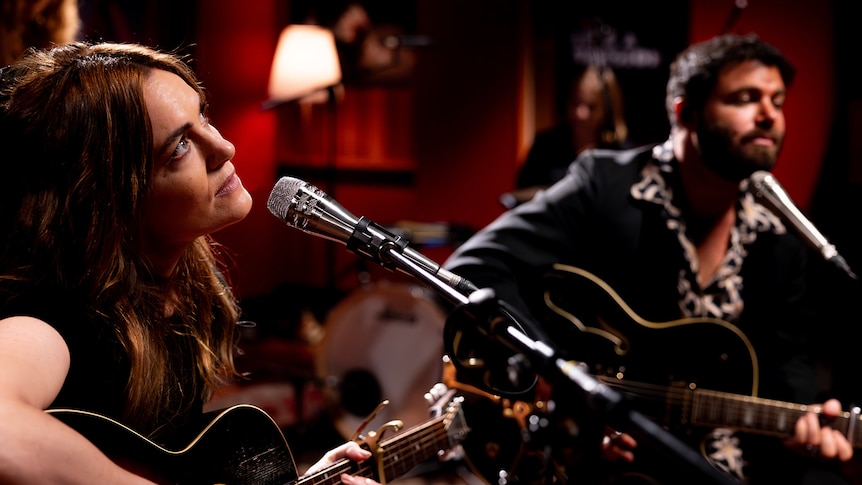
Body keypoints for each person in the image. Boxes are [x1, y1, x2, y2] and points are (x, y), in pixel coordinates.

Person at [443, 33, 856, 484]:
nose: (769, 116)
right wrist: (549, 370)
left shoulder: (780, 230)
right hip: (604, 457)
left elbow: (787, 356)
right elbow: (474, 267)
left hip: (726, 456)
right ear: (686, 112)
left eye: (777, 101)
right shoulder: (605, 185)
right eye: (745, 98)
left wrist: (806, 425)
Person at [0, 42, 380, 484]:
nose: (225, 147)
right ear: (111, 198)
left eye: (203, 118)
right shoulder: (51, 320)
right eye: (179, 146)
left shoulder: (176, 294)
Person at [504, 63, 628, 208]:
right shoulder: (544, 146)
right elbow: (522, 196)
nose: (580, 114)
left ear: (608, 111)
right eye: (575, 103)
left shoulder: (620, 153)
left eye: (591, 107)